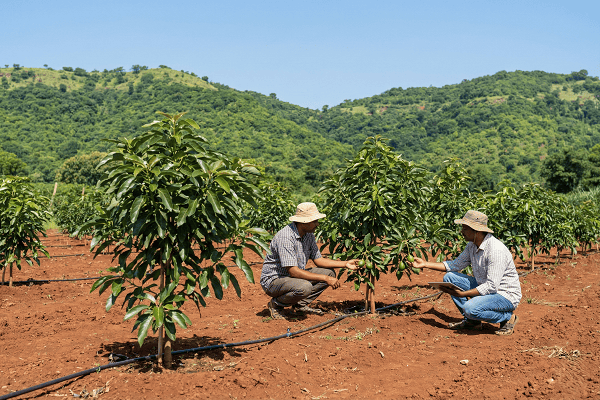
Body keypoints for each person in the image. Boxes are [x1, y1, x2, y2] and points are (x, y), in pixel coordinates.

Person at [411, 210, 521, 335]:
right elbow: (455, 265)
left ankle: (507, 318)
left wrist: (463, 294)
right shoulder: (472, 245)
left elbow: (491, 286)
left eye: (465, 228)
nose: (461, 232)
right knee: (449, 277)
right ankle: (472, 322)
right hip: (485, 287)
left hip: (504, 295)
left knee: (469, 308)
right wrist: (425, 264)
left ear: (477, 231)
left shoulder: (496, 250)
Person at [260, 202, 358, 319]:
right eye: (314, 221)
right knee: (305, 286)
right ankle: (276, 305)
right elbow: (294, 272)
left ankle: (299, 305)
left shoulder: (308, 234)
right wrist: (325, 279)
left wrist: (345, 264)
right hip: (274, 281)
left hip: (292, 279)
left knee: (329, 273)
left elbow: (319, 260)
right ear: (304, 222)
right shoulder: (286, 237)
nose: (317, 224)